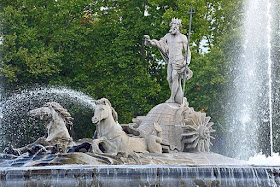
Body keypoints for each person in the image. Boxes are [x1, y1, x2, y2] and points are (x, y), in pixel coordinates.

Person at [145, 18, 193, 104]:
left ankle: (172, 98)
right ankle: (178, 97)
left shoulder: (182, 37)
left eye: (175, 26)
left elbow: (187, 51)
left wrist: (187, 62)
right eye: (172, 26)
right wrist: (149, 41)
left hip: (179, 61)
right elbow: (159, 43)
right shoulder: (167, 36)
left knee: (175, 76)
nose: (173, 28)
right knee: (169, 79)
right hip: (171, 61)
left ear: (179, 27)